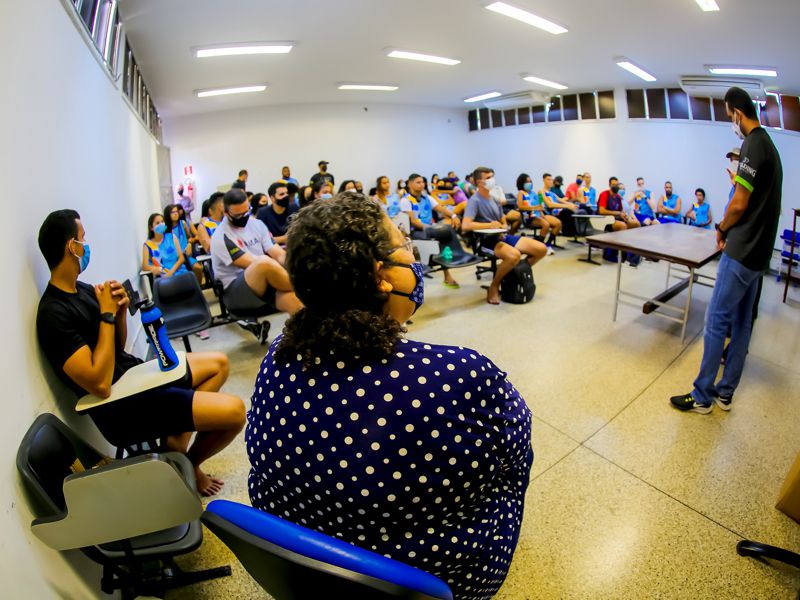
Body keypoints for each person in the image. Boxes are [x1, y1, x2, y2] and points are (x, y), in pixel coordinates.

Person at [246, 195, 532, 600]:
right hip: (424, 583)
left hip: (303, 570)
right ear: (381, 275)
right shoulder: (458, 375)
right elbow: (515, 450)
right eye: (404, 244)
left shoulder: (278, 354)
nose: (413, 256)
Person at [37, 209, 245, 496]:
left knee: (219, 364)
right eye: (82, 239)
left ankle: (176, 448)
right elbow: (99, 384)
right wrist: (106, 316)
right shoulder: (53, 313)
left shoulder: (81, 290)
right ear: (72, 246)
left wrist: (119, 312)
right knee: (235, 413)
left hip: (136, 378)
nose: (87, 246)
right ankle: (188, 463)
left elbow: (116, 349)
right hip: (123, 407)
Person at [671, 86, 782, 414]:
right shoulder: (770, 148)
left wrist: (721, 229)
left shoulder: (752, 144)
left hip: (741, 251)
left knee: (717, 318)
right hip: (760, 256)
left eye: (728, 115)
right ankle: (726, 393)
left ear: (736, 112)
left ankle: (703, 396)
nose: (730, 122)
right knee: (743, 323)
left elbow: (739, 203)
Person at [210, 189, 302, 327]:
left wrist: (293, 265)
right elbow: (253, 264)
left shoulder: (257, 224)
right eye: (238, 215)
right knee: (263, 262)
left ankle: (308, 340)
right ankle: (304, 286)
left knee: (296, 302)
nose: (244, 217)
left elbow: (279, 254)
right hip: (235, 292)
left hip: (264, 282)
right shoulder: (221, 236)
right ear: (225, 212)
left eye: (247, 212)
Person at [463, 167, 548, 305]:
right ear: (479, 182)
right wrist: (489, 225)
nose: (492, 180)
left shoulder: (494, 198)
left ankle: (512, 273)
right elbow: (465, 225)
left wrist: (503, 226)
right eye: (488, 177)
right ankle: (494, 285)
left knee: (541, 249)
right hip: (485, 241)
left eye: (492, 176)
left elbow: (502, 219)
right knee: (514, 255)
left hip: (502, 237)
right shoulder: (474, 201)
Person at [399, 173, 461, 289]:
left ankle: (449, 271)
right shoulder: (406, 200)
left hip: (430, 228)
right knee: (435, 237)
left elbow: (441, 209)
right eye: (418, 182)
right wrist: (429, 228)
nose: (422, 184)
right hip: (416, 231)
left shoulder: (427, 198)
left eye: (423, 182)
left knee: (446, 231)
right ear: (410, 184)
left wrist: (453, 216)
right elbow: (413, 221)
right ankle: (423, 273)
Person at [516, 173, 559, 253]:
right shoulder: (521, 193)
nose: (529, 183)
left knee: (557, 223)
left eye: (530, 181)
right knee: (546, 224)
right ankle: (539, 245)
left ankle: (548, 244)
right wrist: (534, 208)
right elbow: (520, 207)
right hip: (529, 217)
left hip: (538, 214)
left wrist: (542, 214)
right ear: (522, 183)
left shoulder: (534, 193)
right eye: (526, 182)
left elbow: (540, 205)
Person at [164, 204, 204, 284]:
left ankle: (198, 288)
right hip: (174, 258)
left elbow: (189, 236)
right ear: (168, 215)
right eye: (172, 212)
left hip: (186, 255)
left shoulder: (183, 223)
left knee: (198, 268)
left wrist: (190, 242)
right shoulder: (165, 229)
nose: (175, 214)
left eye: (176, 211)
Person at [142, 213, 188, 278]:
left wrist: (171, 272)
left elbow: (181, 258)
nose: (161, 224)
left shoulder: (172, 237)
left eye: (162, 221)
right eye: (157, 223)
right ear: (151, 227)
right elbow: (144, 266)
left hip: (179, 271)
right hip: (163, 276)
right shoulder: (148, 245)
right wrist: (153, 268)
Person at [257, 181, 299, 245]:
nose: (286, 196)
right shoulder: (263, 213)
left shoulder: (294, 207)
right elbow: (261, 239)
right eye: (282, 194)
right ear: (272, 198)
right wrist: (284, 238)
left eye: (287, 193)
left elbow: (300, 232)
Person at [539, 172, 579, 238]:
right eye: (548, 179)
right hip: (548, 212)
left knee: (571, 210)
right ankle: (567, 232)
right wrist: (567, 206)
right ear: (543, 180)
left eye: (551, 180)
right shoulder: (541, 191)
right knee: (566, 211)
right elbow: (549, 205)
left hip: (556, 211)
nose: (550, 181)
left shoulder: (552, 193)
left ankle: (574, 233)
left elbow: (562, 200)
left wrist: (572, 205)